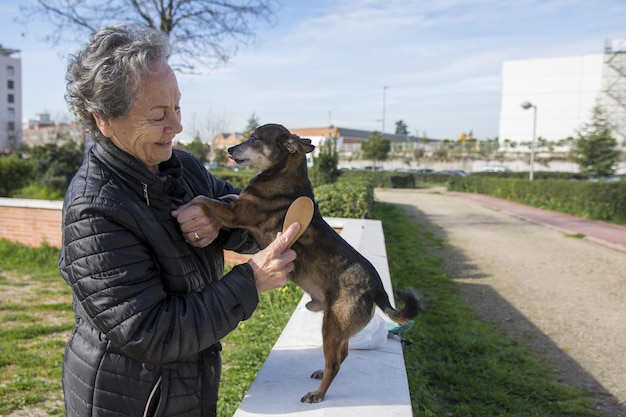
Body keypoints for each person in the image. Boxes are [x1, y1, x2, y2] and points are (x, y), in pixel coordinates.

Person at [58, 24, 299, 417]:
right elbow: (152, 333)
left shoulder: (181, 167)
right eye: (158, 115)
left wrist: (221, 215)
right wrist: (251, 280)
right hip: (131, 399)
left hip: (183, 387)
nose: (177, 126)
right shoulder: (94, 209)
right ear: (104, 120)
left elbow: (260, 221)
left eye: (177, 107)